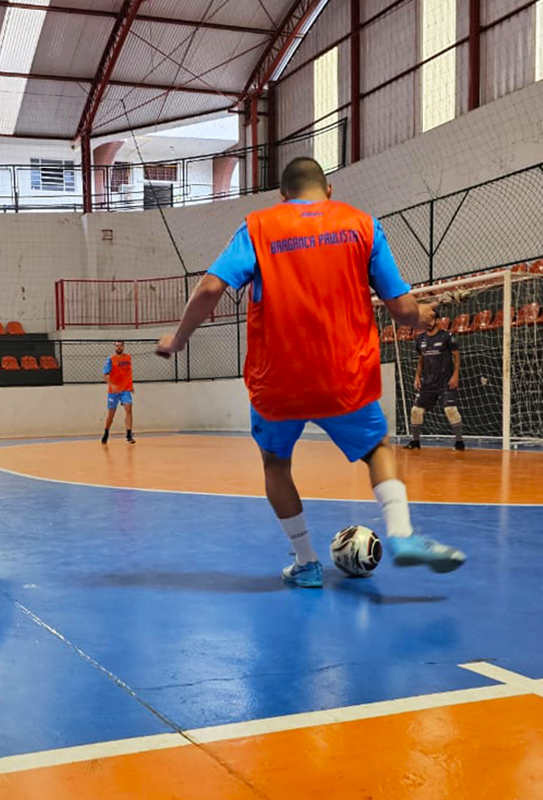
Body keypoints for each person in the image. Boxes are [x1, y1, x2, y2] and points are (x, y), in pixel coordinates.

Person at [155, 158, 466, 588]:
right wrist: (422, 314)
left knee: (276, 464)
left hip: (277, 381)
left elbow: (210, 288)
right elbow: (401, 309)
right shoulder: (363, 226)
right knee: (378, 449)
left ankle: (306, 563)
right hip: (344, 377)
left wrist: (178, 339)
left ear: (283, 197)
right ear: (329, 189)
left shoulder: (259, 227)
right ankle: (402, 534)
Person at [407, 309, 464, 450]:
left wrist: (455, 375)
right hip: (428, 383)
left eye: (430, 319)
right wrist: (417, 377)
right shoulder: (420, 339)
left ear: (438, 321)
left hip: (445, 382)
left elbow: (456, 356)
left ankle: (459, 442)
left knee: (450, 410)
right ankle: (415, 442)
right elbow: (421, 360)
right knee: (416, 411)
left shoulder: (447, 336)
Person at [101, 340, 135, 444]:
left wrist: (131, 385)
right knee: (111, 415)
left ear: (123, 347)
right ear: (114, 347)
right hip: (114, 391)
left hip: (125, 389)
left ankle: (129, 435)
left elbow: (128, 372)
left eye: (120, 345)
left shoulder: (128, 357)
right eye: (117, 346)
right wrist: (112, 385)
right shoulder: (111, 359)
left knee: (128, 409)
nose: (119, 347)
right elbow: (104, 375)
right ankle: (106, 432)